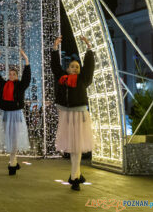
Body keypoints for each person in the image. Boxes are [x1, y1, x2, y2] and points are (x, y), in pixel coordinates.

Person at [51, 36, 94, 191]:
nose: (75, 68)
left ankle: (75, 177)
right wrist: (55, 48)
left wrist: (88, 48)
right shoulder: (62, 78)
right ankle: (75, 175)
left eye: (77, 67)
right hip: (67, 115)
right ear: (67, 69)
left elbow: (89, 67)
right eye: (72, 66)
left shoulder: (83, 79)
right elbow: (55, 66)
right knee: (73, 147)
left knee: (77, 147)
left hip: (80, 114)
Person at [0, 49, 31, 175]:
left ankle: (12, 162)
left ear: (17, 75)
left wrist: (26, 60)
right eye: (10, 74)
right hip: (6, 114)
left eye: (14, 74)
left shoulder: (20, 85)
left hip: (16, 114)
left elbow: (27, 78)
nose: (11, 75)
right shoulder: (3, 84)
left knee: (14, 138)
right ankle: (13, 161)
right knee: (8, 138)